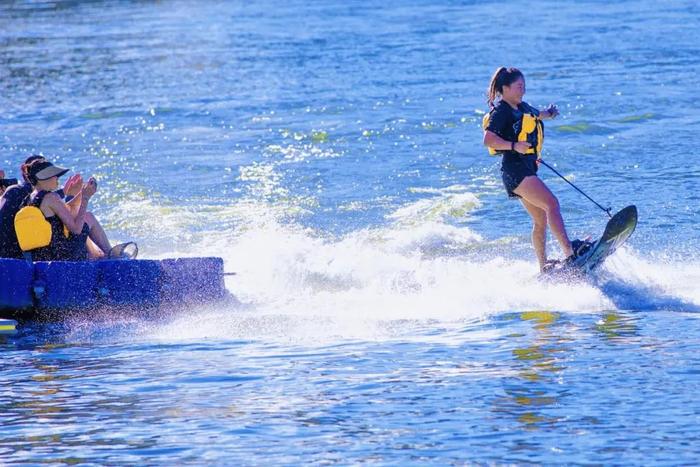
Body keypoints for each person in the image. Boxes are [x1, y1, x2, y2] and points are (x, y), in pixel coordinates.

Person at [482, 67, 584, 272]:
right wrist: (514, 146)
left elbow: (539, 115)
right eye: (519, 86)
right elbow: (488, 139)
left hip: (525, 168)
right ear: (506, 88)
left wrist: (551, 113)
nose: (523, 90)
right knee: (552, 204)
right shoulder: (501, 111)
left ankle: (543, 266)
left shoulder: (523, 106)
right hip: (516, 171)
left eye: (524, 86)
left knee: (541, 219)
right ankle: (569, 252)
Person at [22, 159, 112, 261]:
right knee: (88, 218)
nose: (57, 178)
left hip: (42, 256)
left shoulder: (30, 199)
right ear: (42, 178)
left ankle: (105, 255)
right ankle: (112, 257)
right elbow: (76, 230)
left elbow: (66, 210)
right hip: (63, 255)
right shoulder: (51, 197)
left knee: (87, 216)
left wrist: (82, 193)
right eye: (53, 175)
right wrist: (86, 198)